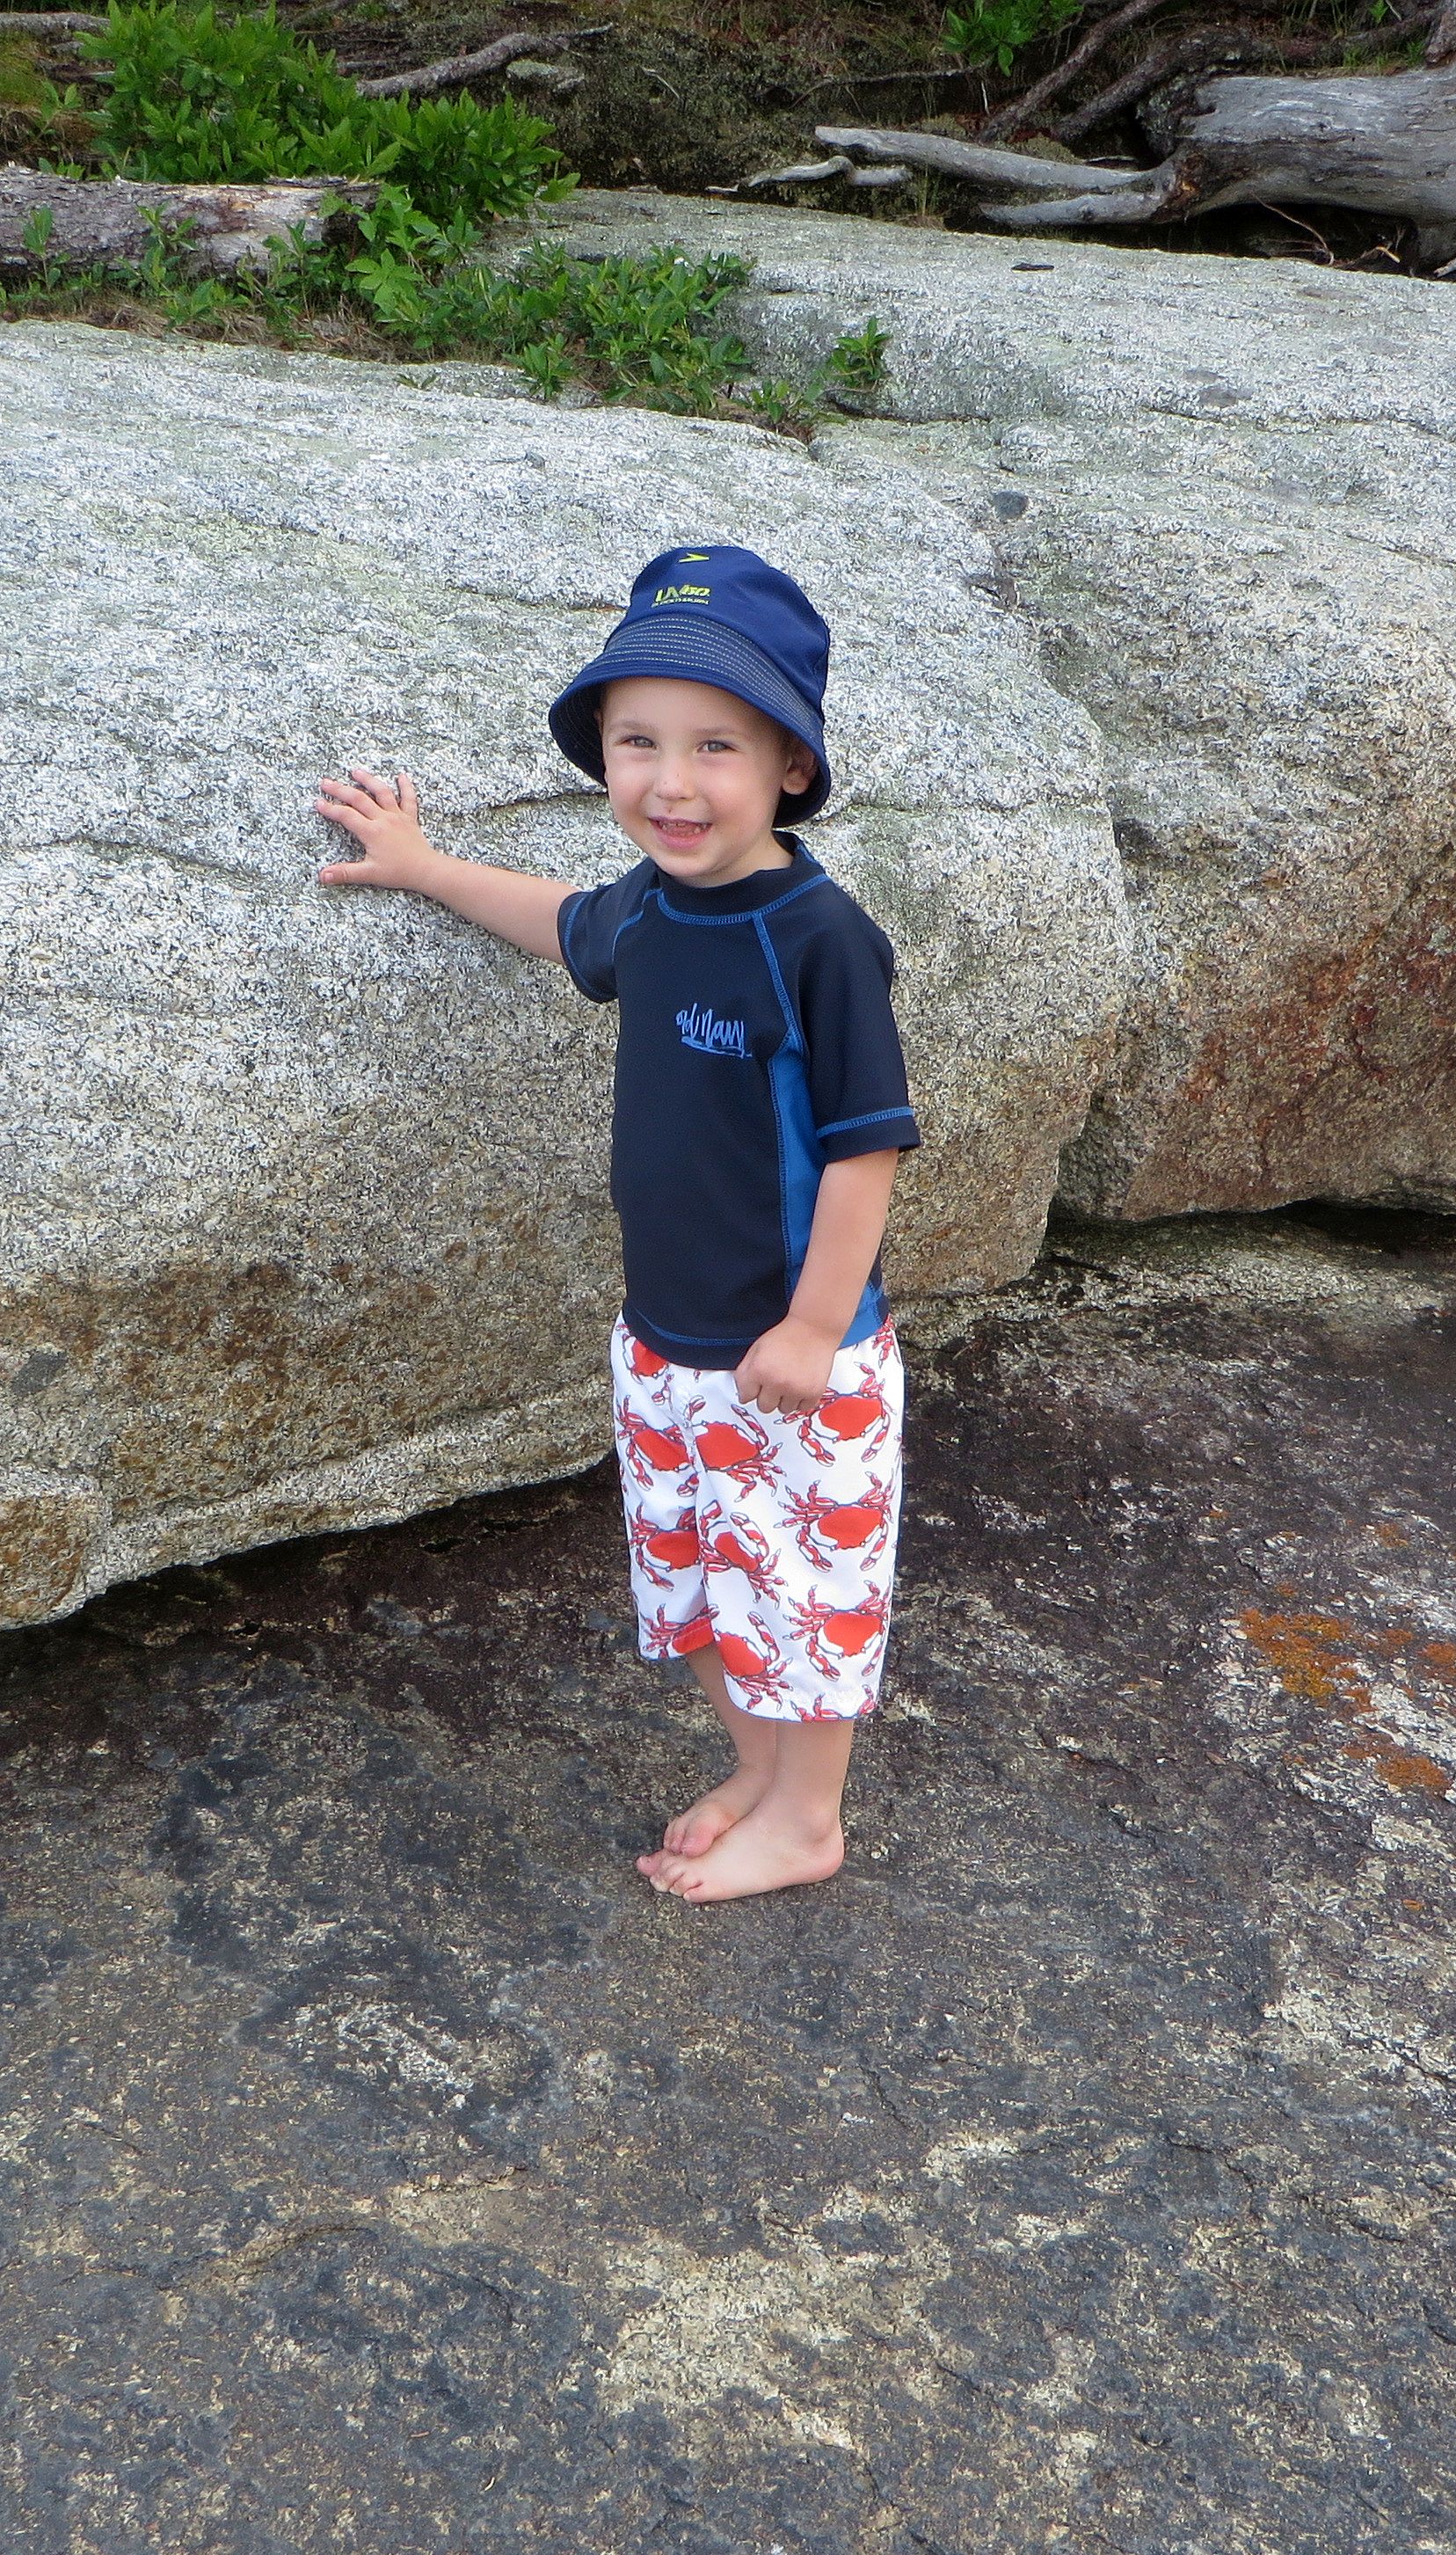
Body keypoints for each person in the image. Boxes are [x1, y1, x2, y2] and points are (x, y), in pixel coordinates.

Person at [313, 544, 915, 1903]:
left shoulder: (819, 940)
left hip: (794, 1356)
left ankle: (808, 1817)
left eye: (716, 746)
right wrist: (424, 867)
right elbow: (563, 923)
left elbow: (865, 1147)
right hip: (665, 1340)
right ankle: (758, 1773)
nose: (671, 782)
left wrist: (815, 1327)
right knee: (696, 1586)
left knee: (801, 1599)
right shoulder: (652, 902)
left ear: (792, 768)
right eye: (638, 741)